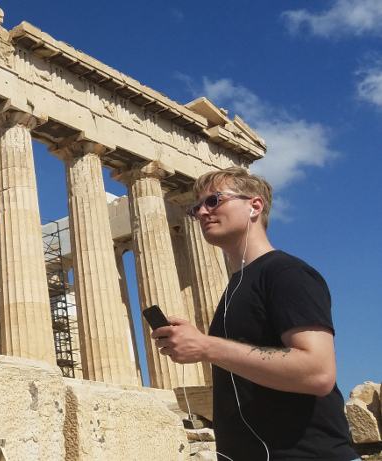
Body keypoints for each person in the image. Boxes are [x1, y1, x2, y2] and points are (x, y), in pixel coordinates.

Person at [150, 167, 358, 461]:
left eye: (214, 201)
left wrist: (207, 346)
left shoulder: (286, 273)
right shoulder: (235, 287)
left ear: (254, 206)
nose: (201, 213)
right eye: (196, 207)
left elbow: (318, 371)